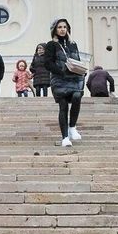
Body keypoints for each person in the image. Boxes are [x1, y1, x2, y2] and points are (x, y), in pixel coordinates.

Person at [45, 18, 85, 147]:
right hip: (59, 80)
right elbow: (48, 63)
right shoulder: (51, 45)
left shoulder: (73, 44)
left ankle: (72, 127)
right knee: (63, 106)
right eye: (59, 27)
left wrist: (81, 71)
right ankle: (65, 137)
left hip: (74, 78)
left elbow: (77, 59)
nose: (62, 29)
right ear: (55, 30)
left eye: (64, 27)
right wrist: (61, 72)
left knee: (77, 96)